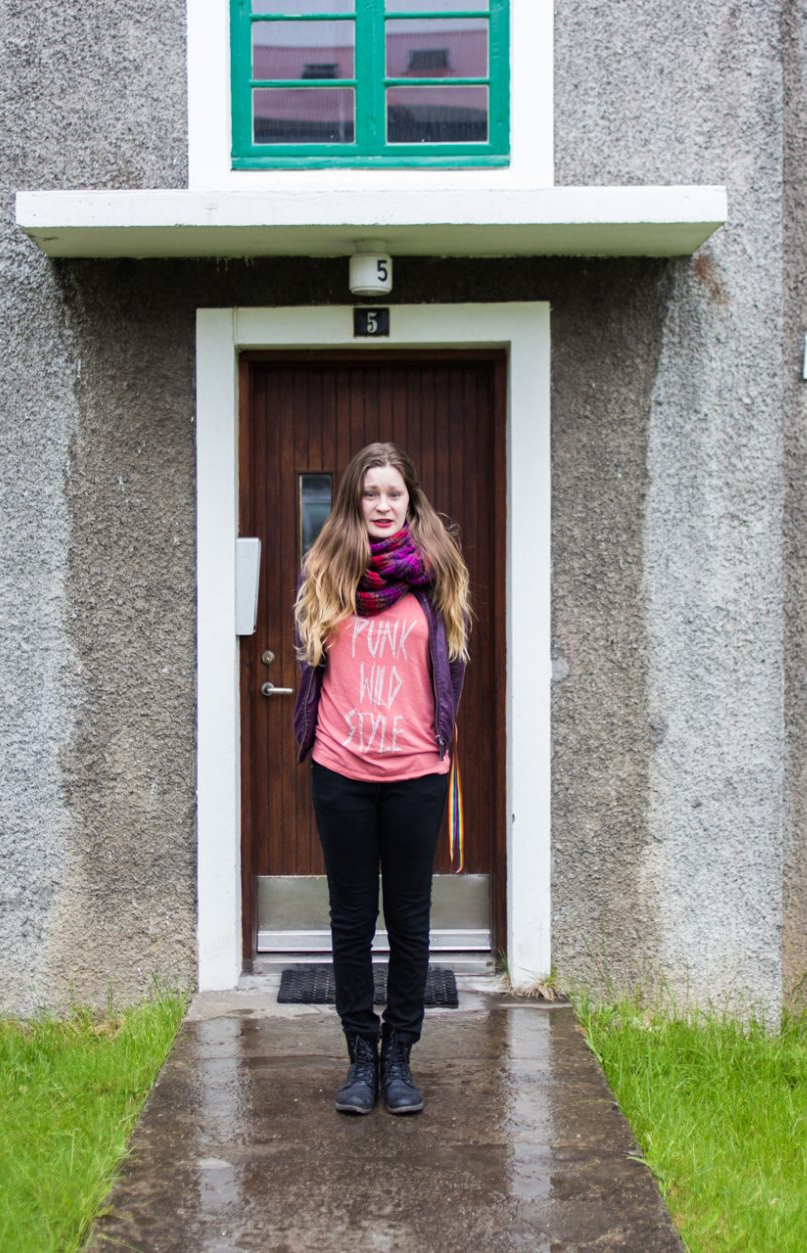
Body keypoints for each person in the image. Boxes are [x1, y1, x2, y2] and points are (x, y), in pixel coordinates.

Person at [291, 441, 470, 1116]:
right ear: (354, 501)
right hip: (342, 772)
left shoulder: (436, 575)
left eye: (395, 492)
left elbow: (454, 667)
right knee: (351, 921)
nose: (384, 504)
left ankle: (400, 1057)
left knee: (410, 920)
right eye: (372, 493)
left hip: (416, 774)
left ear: (411, 500)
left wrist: (437, 736)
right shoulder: (326, 572)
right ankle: (359, 1058)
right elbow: (312, 660)